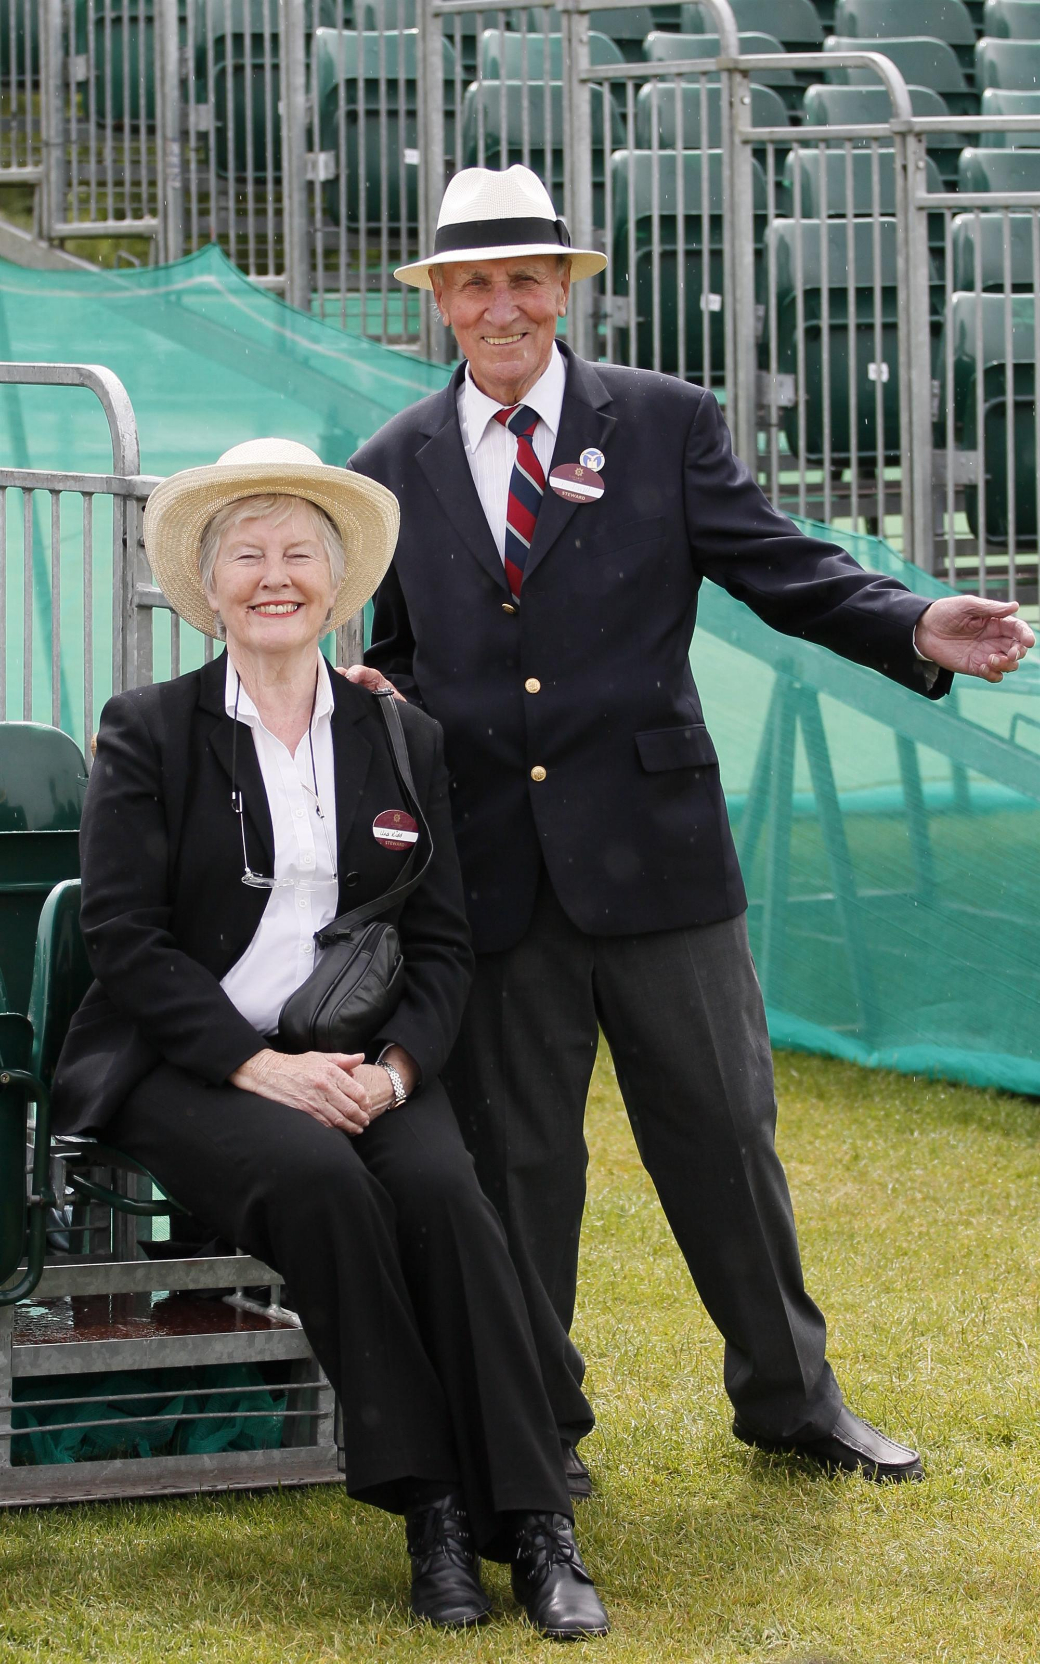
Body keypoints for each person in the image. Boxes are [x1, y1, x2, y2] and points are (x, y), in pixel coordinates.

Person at [346, 165, 1036, 1490]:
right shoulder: (391, 465)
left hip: (659, 853)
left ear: (564, 288)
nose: (503, 303)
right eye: (474, 281)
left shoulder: (663, 421)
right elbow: (404, 656)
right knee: (521, 1164)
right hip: (493, 872)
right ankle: (538, 1422)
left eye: (525, 277)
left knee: (725, 1136)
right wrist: (388, 703)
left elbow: (780, 563)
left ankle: (791, 1402)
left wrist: (909, 623)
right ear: (438, 300)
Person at [50, 437, 610, 1640]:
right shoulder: (146, 728)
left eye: (299, 551)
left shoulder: (399, 736)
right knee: (321, 1187)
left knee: (448, 1198)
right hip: (190, 1060)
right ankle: (434, 1510)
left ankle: (540, 1520)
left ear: (338, 583)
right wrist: (261, 1067)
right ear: (207, 587)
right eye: (244, 552)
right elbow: (124, 940)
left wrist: (395, 1068)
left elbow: (445, 944)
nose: (273, 574)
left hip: (362, 1060)